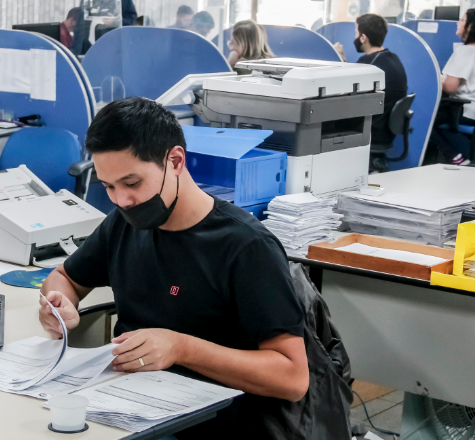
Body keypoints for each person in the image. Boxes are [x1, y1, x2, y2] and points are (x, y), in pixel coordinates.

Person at [38, 97, 308, 439]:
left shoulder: (245, 247)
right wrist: (59, 304)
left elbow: (293, 378)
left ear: (175, 161)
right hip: (125, 411)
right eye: (108, 187)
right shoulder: (123, 224)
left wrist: (182, 348)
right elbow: (65, 278)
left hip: (213, 427)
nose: (122, 200)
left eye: (132, 183)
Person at [432, 8, 475, 164]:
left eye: (462, 20)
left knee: (422, 119)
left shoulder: (466, 52)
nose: (458, 23)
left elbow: (450, 87)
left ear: (470, 27)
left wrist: (435, 78)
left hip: (464, 111)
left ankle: (456, 156)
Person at [334, 14, 408, 146]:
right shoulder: (392, 58)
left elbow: (344, 92)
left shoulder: (368, 64)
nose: (355, 37)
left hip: (370, 132)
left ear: (363, 38)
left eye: (356, 33)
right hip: (385, 131)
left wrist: (338, 60)